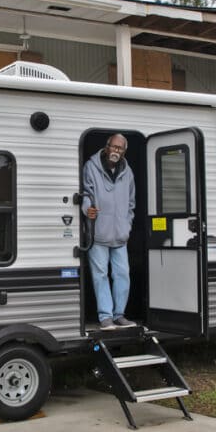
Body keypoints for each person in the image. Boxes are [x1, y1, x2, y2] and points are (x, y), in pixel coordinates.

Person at [82, 133, 137, 331]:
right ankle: (105, 317)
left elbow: (131, 203)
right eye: (113, 147)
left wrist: (127, 225)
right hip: (98, 234)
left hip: (120, 236)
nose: (116, 151)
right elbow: (85, 193)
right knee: (101, 275)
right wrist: (87, 209)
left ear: (124, 152)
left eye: (120, 148)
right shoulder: (91, 167)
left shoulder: (127, 172)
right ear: (107, 147)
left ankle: (119, 315)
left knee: (123, 274)